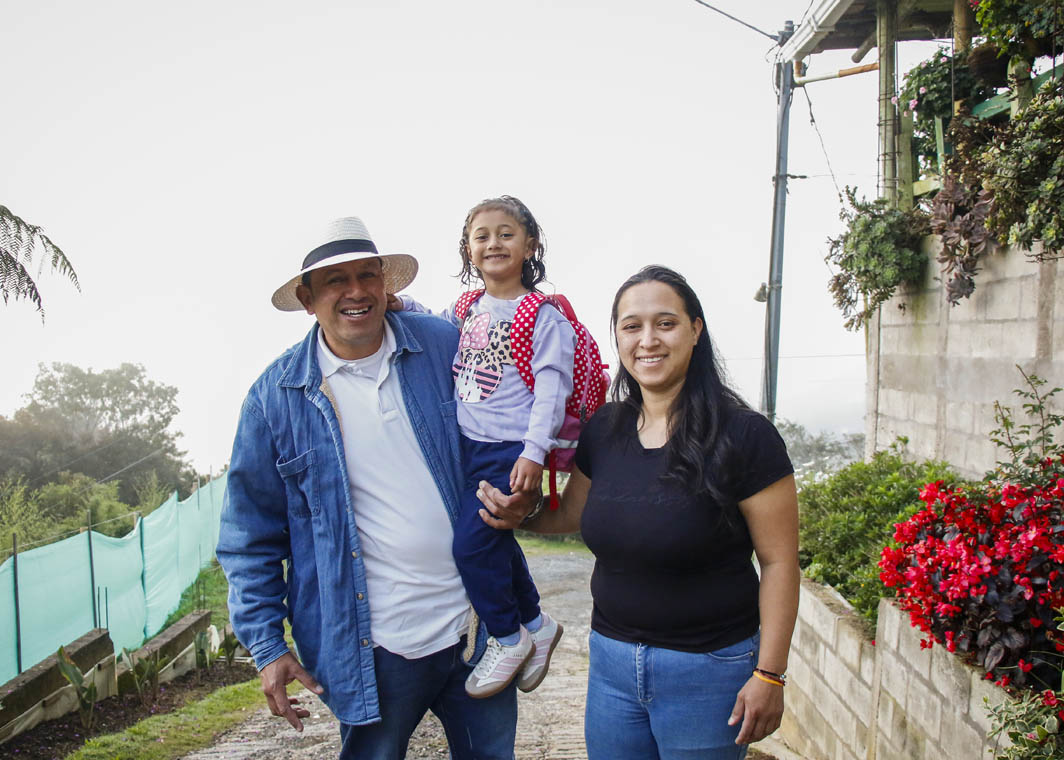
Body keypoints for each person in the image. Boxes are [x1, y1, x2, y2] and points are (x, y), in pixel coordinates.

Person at [216, 215, 537, 760]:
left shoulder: (443, 346)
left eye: (368, 275)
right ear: (307, 298)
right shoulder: (274, 399)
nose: (356, 291)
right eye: (336, 281)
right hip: (370, 647)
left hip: (476, 627)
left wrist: (523, 499)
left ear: (386, 285)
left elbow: (505, 428)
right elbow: (249, 540)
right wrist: (268, 647)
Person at [478, 265, 800, 760]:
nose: (647, 340)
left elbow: (779, 562)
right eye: (632, 326)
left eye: (665, 323)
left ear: (695, 330)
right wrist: (521, 513)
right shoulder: (606, 427)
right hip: (611, 664)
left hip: (708, 671)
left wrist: (770, 674)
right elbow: (572, 515)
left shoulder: (745, 435)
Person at [395, 195, 573, 698]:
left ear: (530, 245)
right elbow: (435, 322)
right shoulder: (468, 307)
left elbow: (552, 387)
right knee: (493, 538)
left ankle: (507, 636)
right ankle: (536, 624)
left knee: (469, 547)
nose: (494, 243)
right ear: (468, 250)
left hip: (509, 450)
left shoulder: (542, 315)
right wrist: (402, 305)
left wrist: (534, 452)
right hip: (469, 448)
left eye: (506, 234)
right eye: (482, 236)